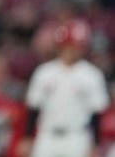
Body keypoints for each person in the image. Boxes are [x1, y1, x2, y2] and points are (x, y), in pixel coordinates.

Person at [20, 19, 109, 157]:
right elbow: (34, 108)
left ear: (82, 48)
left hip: (77, 136)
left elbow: (96, 114)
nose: (70, 50)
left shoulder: (92, 75)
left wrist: (95, 144)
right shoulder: (44, 72)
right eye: (66, 46)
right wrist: (27, 137)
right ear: (59, 47)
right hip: (47, 135)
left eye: (74, 46)